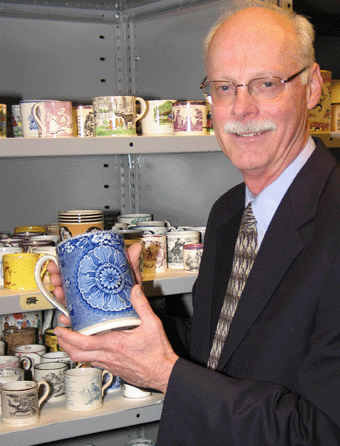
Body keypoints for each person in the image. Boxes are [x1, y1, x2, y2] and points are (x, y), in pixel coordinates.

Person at [48, 1, 340, 444]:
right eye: (224, 88)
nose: (240, 109)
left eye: (265, 83)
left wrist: (167, 376)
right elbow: (216, 350)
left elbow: (322, 432)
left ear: (313, 86)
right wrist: (120, 311)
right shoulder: (228, 213)